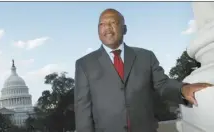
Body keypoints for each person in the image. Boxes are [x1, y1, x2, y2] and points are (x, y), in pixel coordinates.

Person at [74, 8, 213, 132]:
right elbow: (83, 111)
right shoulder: (84, 64)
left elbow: (162, 84)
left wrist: (183, 90)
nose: (107, 28)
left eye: (112, 23)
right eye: (102, 24)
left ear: (124, 29)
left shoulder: (146, 57)